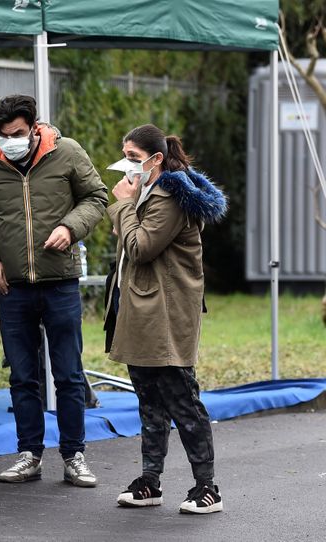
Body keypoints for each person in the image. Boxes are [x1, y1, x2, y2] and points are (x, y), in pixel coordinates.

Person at [0, 94, 108, 486]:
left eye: (19, 133)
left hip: (59, 282)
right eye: (5, 135)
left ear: (34, 127)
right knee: (23, 376)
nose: (12, 140)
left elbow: (97, 197)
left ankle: (75, 454)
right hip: (13, 288)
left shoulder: (67, 152)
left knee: (69, 374)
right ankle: (29, 454)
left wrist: (70, 227)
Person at [104, 124, 227, 514]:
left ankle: (208, 488)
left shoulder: (170, 197)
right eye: (124, 155)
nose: (127, 166)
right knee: (148, 401)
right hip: (142, 309)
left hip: (167, 314)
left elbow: (140, 247)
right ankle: (149, 481)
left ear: (156, 159)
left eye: (134, 158)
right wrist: (128, 205)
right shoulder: (147, 191)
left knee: (182, 400)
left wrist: (122, 204)